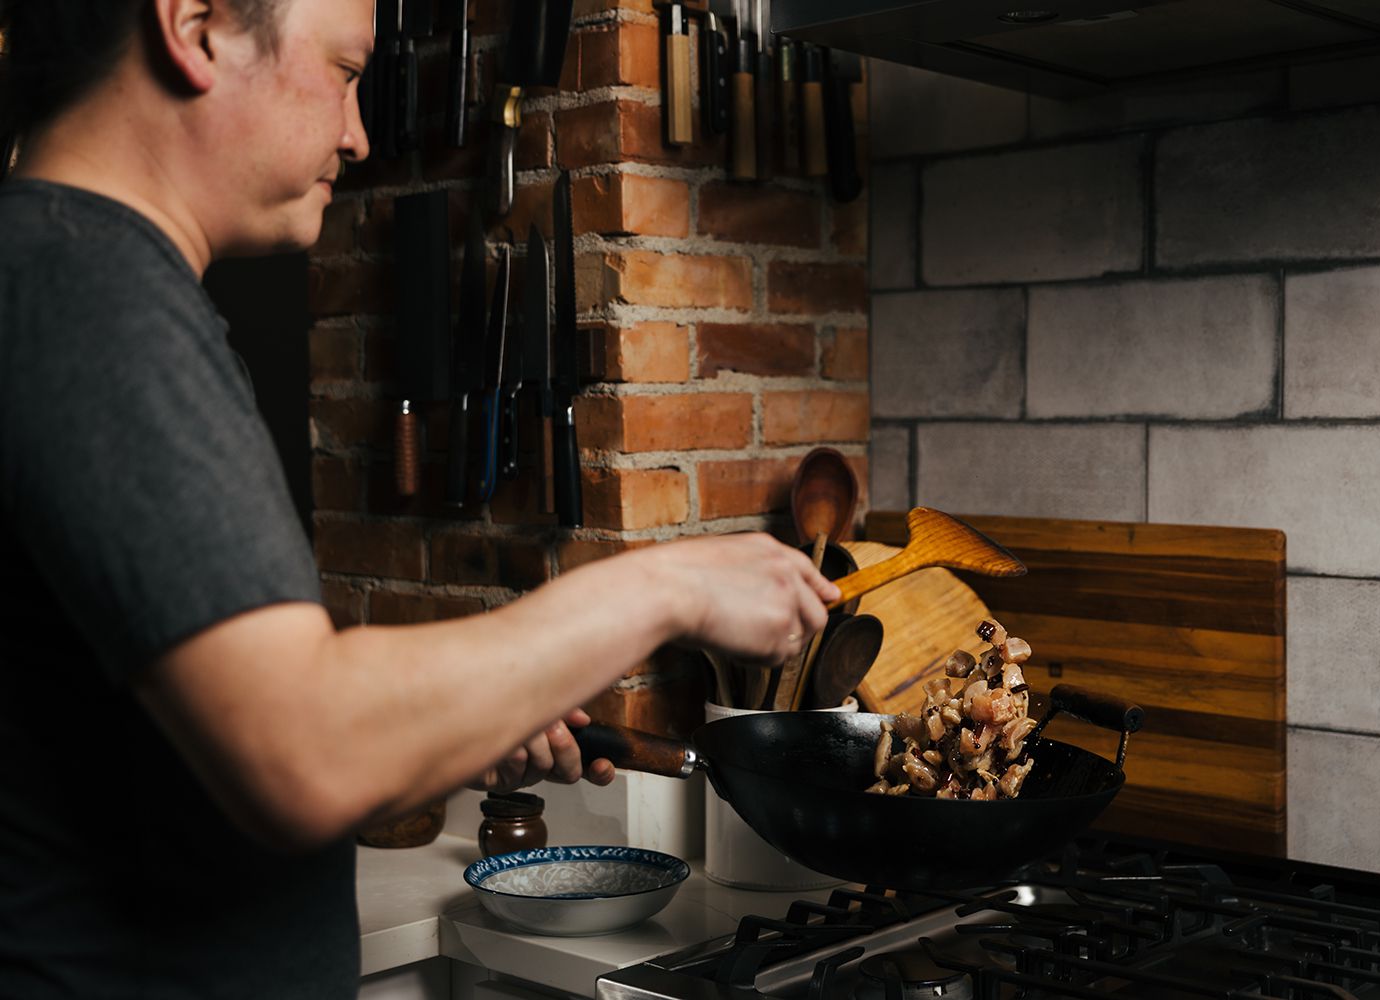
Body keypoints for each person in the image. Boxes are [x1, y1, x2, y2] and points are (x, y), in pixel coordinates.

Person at [0, 0, 840, 996]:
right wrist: (666, 588)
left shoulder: (66, 276)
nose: (358, 135)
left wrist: (443, 725)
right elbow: (300, 746)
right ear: (196, 27)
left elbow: (182, 744)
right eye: (347, 72)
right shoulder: (90, 292)